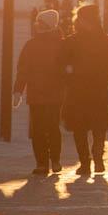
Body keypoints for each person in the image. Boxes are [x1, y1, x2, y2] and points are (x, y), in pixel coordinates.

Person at [62, 3, 108, 176]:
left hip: (78, 91)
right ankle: (97, 157)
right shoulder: (106, 41)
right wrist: (103, 80)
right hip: (97, 90)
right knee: (98, 127)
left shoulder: (72, 41)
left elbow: (62, 63)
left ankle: (86, 162)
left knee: (80, 128)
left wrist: (70, 77)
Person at [12, 9, 65, 176]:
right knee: (50, 127)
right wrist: (18, 90)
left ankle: (44, 163)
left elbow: (23, 70)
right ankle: (51, 161)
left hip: (40, 94)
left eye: (39, 23)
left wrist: (18, 90)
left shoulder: (33, 45)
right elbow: (23, 70)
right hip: (51, 94)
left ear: (47, 26)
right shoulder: (59, 44)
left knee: (40, 129)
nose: (36, 26)